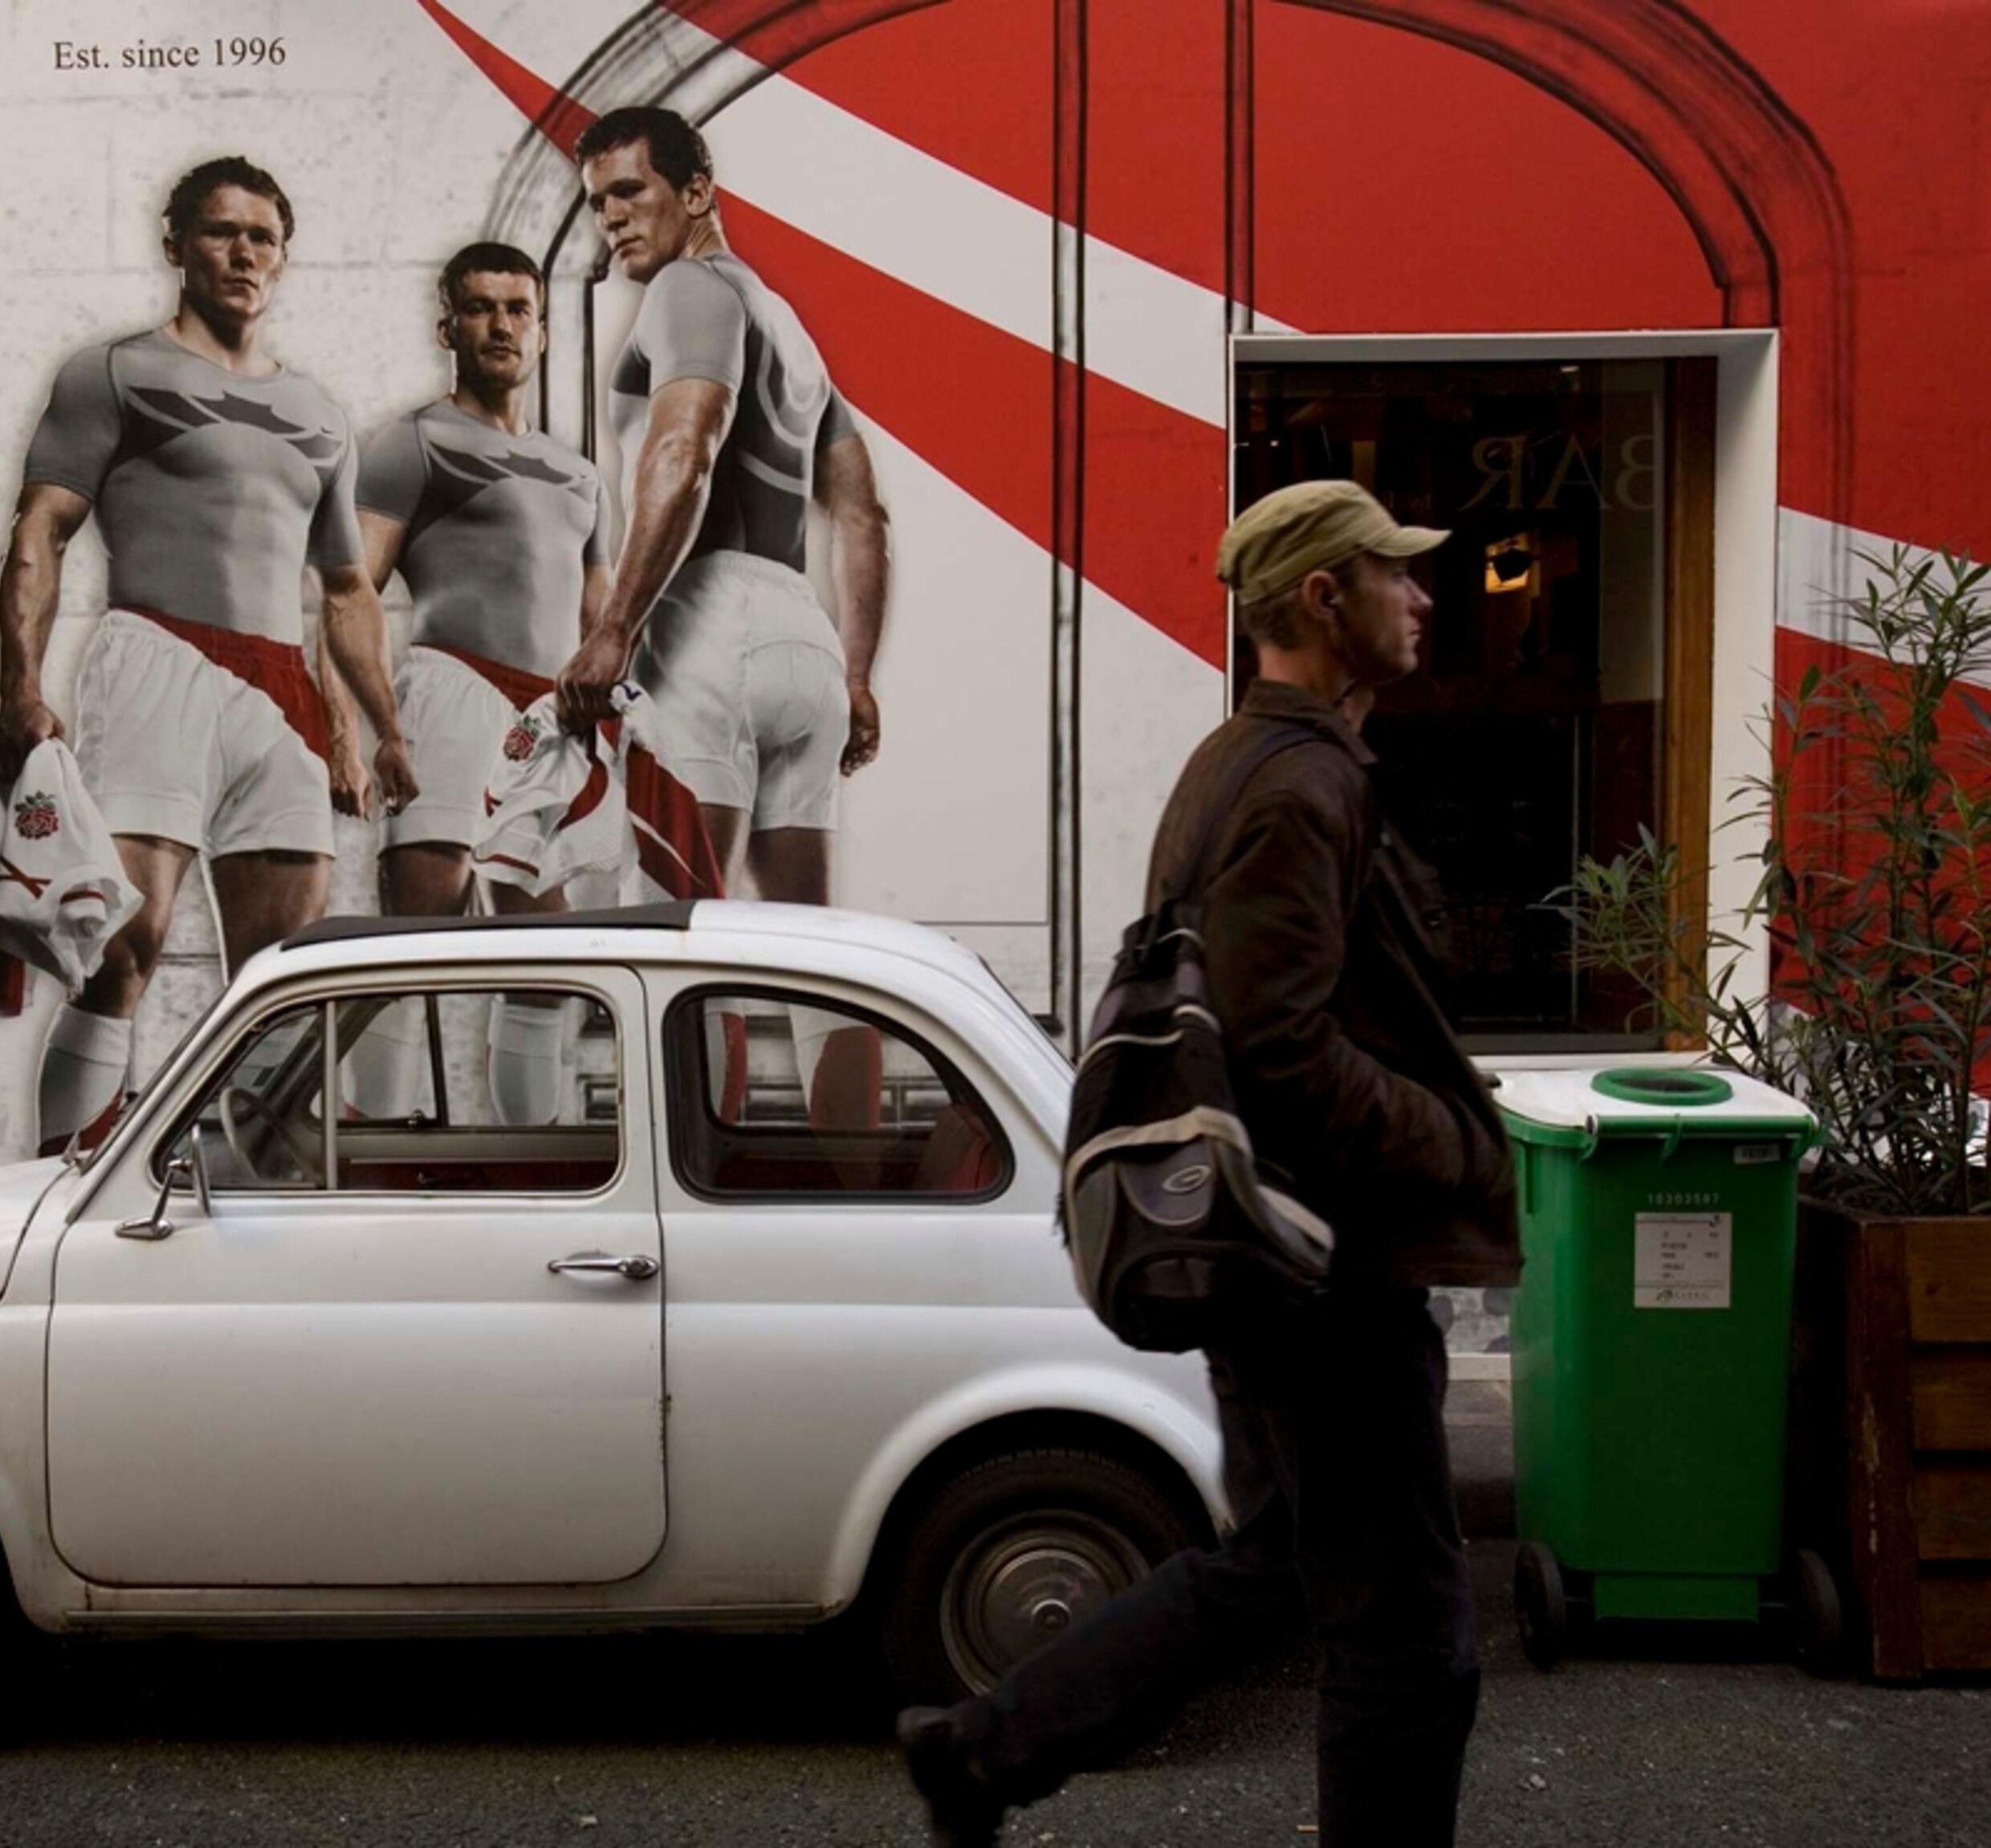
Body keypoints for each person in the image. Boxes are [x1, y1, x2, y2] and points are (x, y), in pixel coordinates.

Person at [896, 478, 1521, 1848]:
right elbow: (1282, 1044)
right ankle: (981, 1750)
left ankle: (985, 1746)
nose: (1419, 597)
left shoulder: (1241, 760)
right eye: (1393, 575)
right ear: (1322, 596)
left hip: (1277, 1260)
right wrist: (1454, 1141)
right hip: (1331, 1270)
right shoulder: (1294, 786)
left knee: (1287, 1562)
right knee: (1410, 1643)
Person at [0, 155, 415, 1156]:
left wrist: (374, 734)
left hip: (281, 693)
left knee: (282, 973)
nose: (243, 252)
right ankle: (58, 1186)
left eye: (262, 237)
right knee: (122, 948)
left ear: (283, 259)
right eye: (221, 232)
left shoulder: (319, 413)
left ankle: (258, 1188)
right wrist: (21, 683)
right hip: (158, 659)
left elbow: (346, 592)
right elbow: (40, 533)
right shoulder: (116, 371)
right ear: (176, 246)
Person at [556, 105, 888, 907]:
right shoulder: (793, 330)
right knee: (811, 962)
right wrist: (854, 675)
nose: (612, 219)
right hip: (802, 643)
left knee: (678, 936)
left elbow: (684, 451)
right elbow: (864, 516)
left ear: (698, 191)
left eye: (631, 192)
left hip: (705, 626)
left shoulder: (688, 287)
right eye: (599, 202)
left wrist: (614, 630)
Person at [353, 242, 610, 920]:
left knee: (550, 962)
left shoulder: (580, 474)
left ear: (543, 332)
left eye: (518, 310)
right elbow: (348, 598)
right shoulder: (413, 441)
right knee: (416, 945)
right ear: (449, 329)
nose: (501, 326)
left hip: (552, 720)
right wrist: (378, 731)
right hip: (453, 693)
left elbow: (604, 627)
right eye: (480, 309)